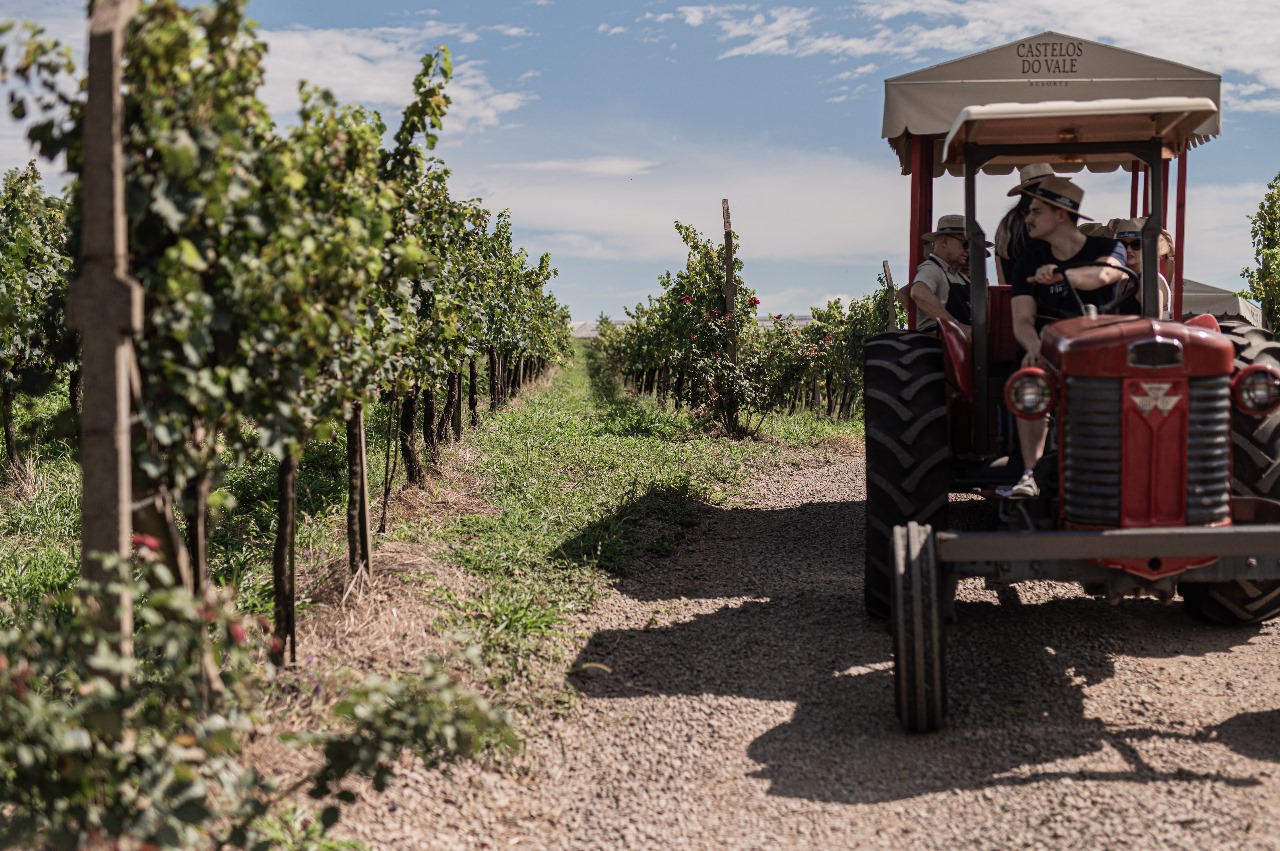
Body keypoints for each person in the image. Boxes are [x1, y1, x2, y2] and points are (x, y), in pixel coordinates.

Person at [1005, 176, 1127, 498]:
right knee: (1029, 374)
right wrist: (1034, 346)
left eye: (1036, 211)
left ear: (1061, 214)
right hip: (1051, 349)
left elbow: (1104, 274)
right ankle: (1031, 472)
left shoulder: (1107, 247)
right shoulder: (1027, 262)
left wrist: (1063, 275)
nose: (1028, 218)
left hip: (1102, 345)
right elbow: (1021, 319)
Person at [897, 214, 988, 342]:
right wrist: (957, 326)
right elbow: (918, 292)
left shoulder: (959, 275)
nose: (968, 251)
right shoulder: (933, 269)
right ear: (944, 242)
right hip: (940, 344)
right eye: (965, 244)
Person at [994, 164, 1067, 285]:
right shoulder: (1044, 221)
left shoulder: (1006, 224)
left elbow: (1002, 279)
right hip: (1046, 298)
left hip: (1014, 297)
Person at [1109, 217, 1173, 319]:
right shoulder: (1124, 283)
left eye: (1136, 244)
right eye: (1122, 244)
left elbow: (1151, 326)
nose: (1128, 250)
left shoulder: (1150, 282)